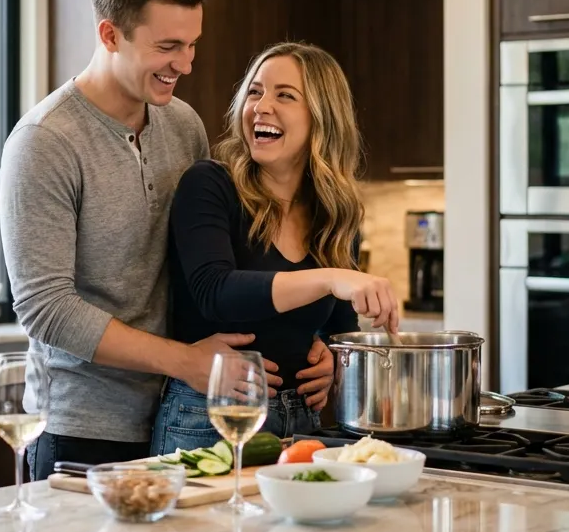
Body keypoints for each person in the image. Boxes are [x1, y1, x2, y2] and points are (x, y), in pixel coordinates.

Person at [0, 0, 336, 480]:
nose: (186, 64)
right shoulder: (44, 143)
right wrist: (184, 360)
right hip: (85, 425)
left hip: (184, 409)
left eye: (193, 44)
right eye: (168, 46)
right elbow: (46, 308)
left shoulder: (182, 125)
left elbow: (215, 263)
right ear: (110, 35)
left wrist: (311, 339)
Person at [151, 41, 399, 457]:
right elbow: (217, 293)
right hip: (210, 417)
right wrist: (331, 278)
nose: (262, 106)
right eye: (254, 91)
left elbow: (337, 327)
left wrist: (333, 360)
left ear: (322, 116)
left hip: (301, 419)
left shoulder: (335, 214)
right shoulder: (211, 185)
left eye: (285, 95)